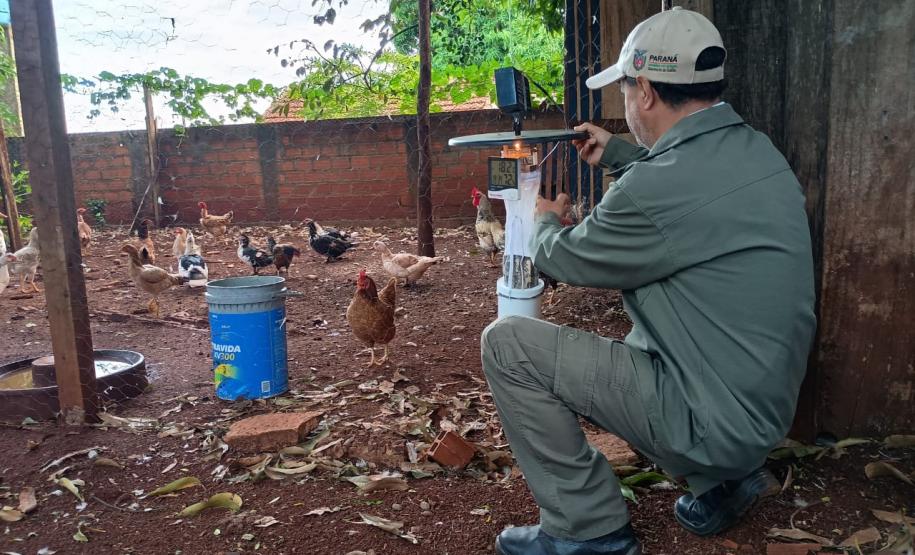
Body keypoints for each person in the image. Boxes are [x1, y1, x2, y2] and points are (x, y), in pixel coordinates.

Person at [481, 7, 816, 555]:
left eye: (626, 92)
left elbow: (564, 259)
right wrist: (620, 155)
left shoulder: (654, 191)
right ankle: (726, 483)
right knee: (666, 317)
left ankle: (587, 530)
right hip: (761, 413)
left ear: (646, 92)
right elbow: (689, 195)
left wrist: (541, 216)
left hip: (709, 422)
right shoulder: (758, 151)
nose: (626, 105)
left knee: (507, 345)